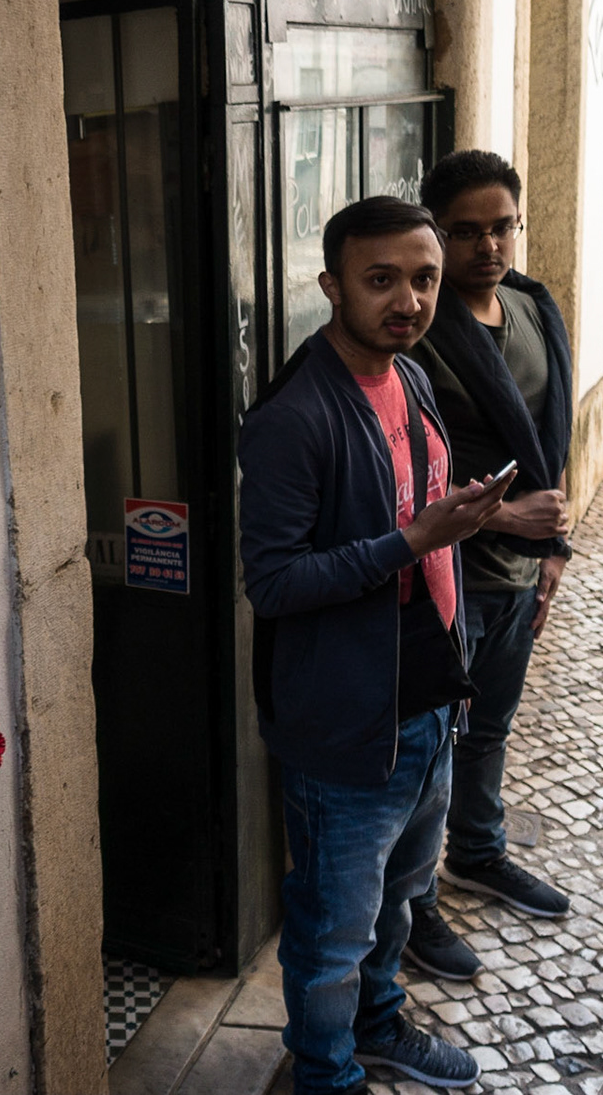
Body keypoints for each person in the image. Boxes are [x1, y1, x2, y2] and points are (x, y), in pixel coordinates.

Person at [241, 196, 510, 1093]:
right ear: (331, 286)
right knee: (333, 932)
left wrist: (482, 515)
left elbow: (414, 515)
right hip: (347, 726)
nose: (409, 299)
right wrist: (413, 542)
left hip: (426, 703)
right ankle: (325, 1074)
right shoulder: (294, 416)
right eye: (382, 279)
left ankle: (382, 1024)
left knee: (397, 900)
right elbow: (273, 583)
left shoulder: (412, 375)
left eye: (423, 279)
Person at [401, 150, 575, 982]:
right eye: (465, 231)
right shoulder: (421, 335)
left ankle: (477, 850)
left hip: (519, 571)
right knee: (436, 740)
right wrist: (505, 515)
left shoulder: (534, 308)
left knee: (493, 727)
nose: (487, 246)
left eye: (501, 226)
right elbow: (409, 471)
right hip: (448, 569)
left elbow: (549, 438)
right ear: (437, 231)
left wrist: (550, 548)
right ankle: (416, 904)